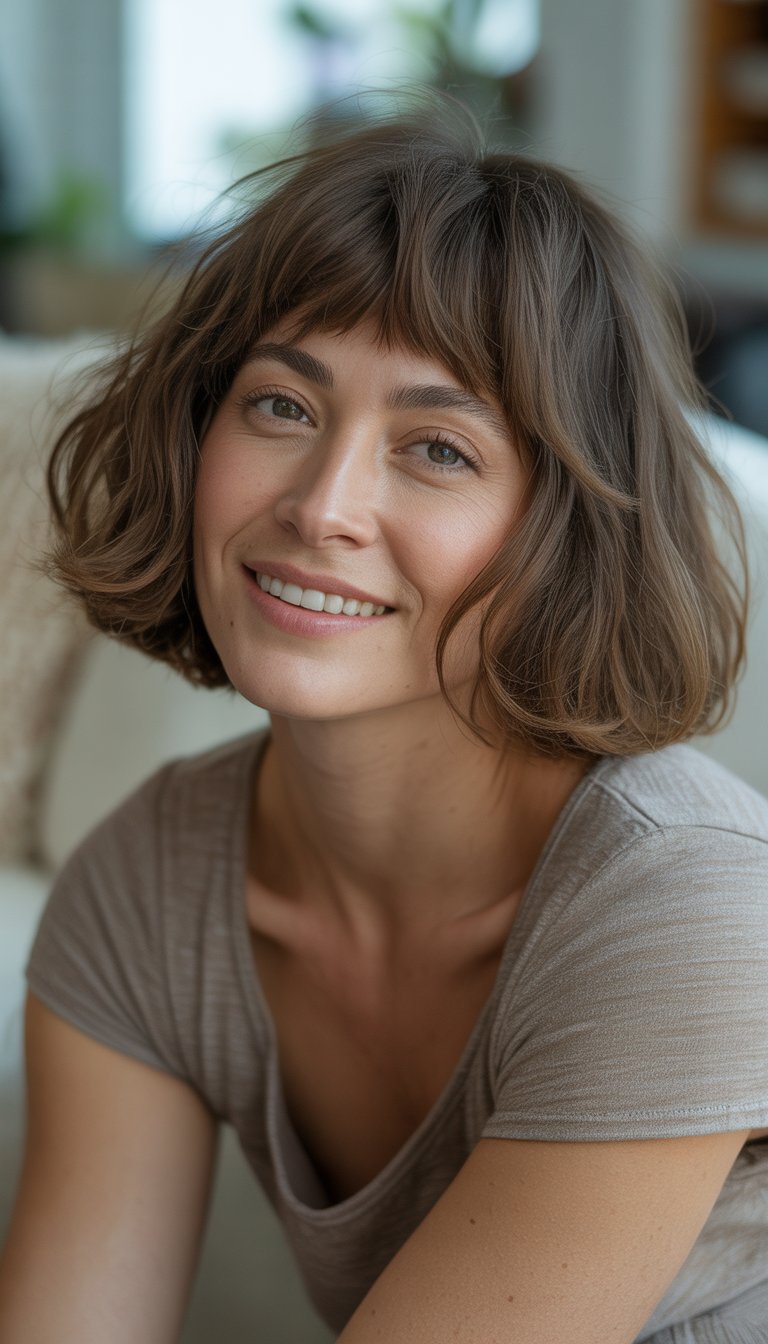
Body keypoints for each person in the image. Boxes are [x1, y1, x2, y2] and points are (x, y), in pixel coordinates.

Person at [1, 97, 767, 1344]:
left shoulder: (696, 915)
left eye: (439, 449)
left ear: (560, 536)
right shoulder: (145, 890)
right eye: (283, 408)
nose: (323, 506)